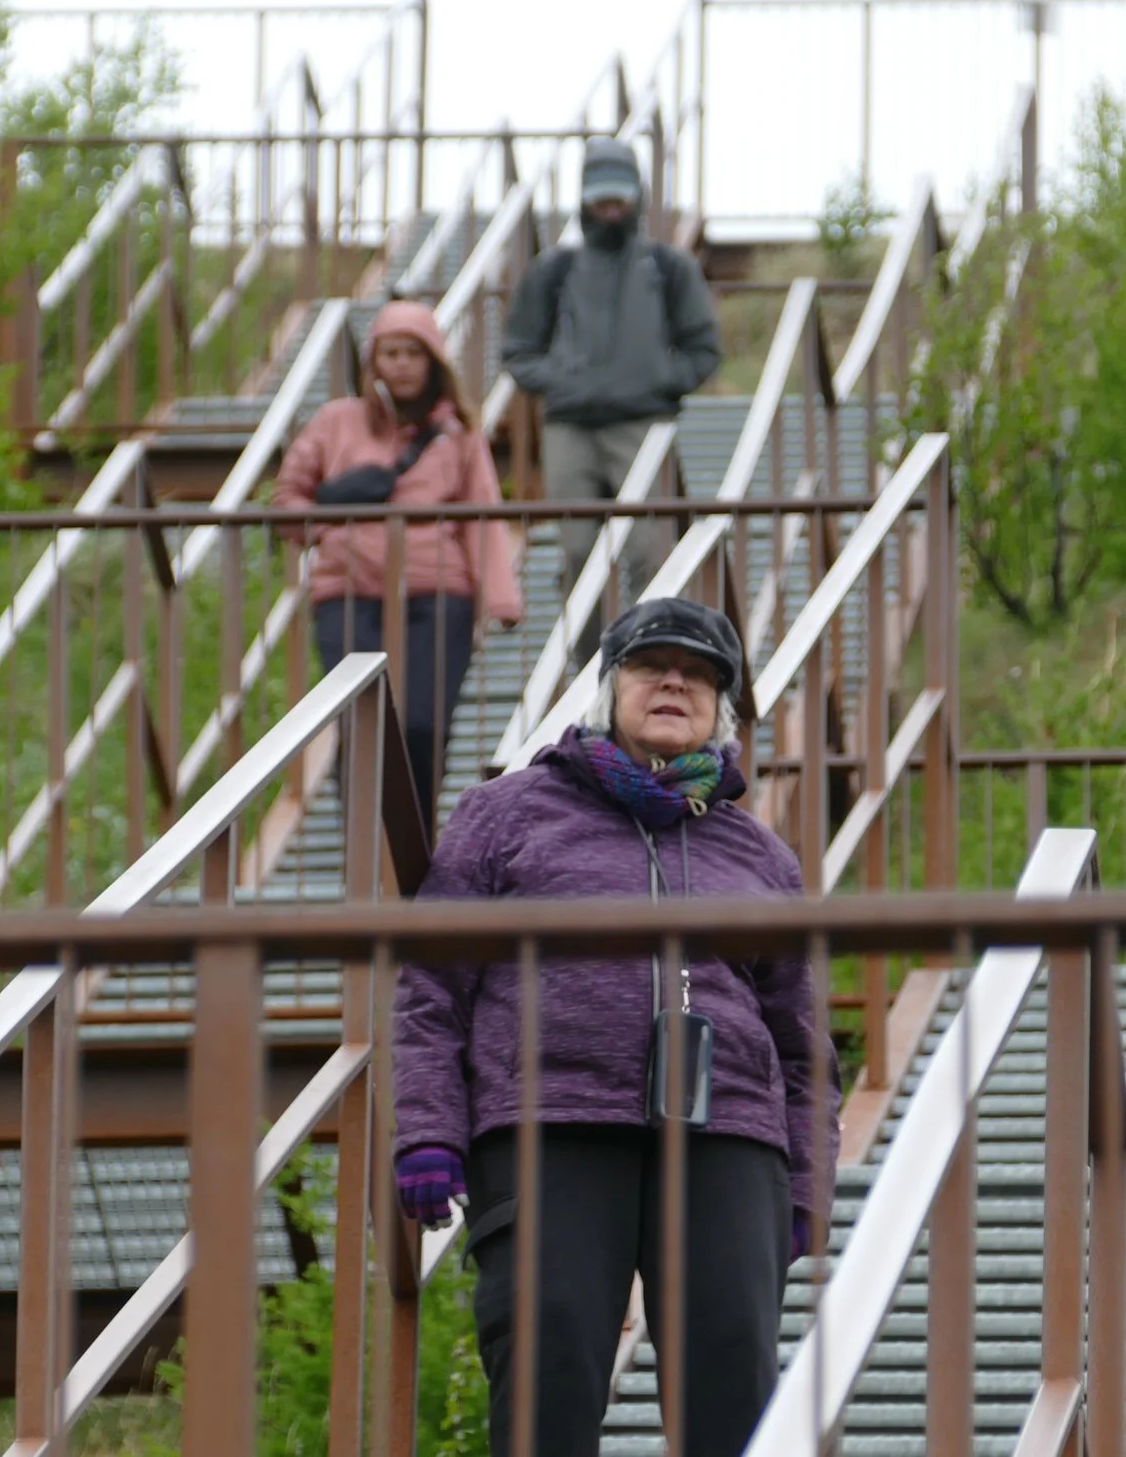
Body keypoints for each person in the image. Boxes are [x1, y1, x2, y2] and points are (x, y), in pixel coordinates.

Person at [389, 596, 839, 1457]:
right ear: (606, 688)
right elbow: (430, 986)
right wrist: (427, 1129)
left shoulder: (760, 855)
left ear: (722, 708)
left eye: (702, 673)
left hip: (728, 1135)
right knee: (546, 1355)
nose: (675, 680)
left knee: (735, 1372)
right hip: (546, 1121)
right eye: (650, 664)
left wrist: (806, 1180)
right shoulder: (506, 814)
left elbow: (802, 1038)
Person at [273, 299, 522, 831]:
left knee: (423, 723)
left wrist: (499, 596)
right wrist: (328, 519)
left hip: (438, 592)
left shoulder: (458, 433)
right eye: (391, 352)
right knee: (361, 720)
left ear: (434, 361)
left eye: (414, 352)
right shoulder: (335, 422)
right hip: (348, 589)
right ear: (373, 362)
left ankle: (415, 848)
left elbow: (482, 514)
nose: (403, 364)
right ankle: (360, 853)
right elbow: (288, 503)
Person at [502, 138, 722, 665]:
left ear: (636, 198)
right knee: (578, 552)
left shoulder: (668, 268)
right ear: (583, 200)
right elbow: (517, 351)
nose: (610, 208)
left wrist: (660, 381)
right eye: (600, 197)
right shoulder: (554, 270)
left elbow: (704, 348)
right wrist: (562, 381)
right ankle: (592, 669)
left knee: (651, 551)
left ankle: (654, 658)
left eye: (619, 197)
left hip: (645, 423)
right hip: (570, 428)